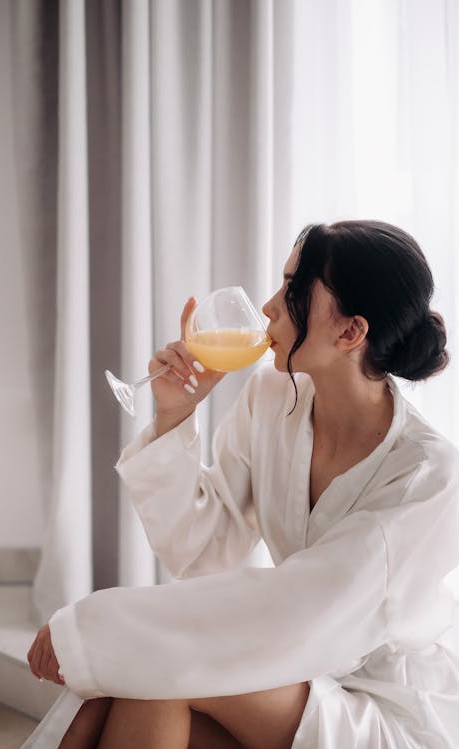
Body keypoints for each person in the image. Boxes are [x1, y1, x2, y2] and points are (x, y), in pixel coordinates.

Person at [24, 220, 459, 749]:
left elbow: (307, 610)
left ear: (351, 332)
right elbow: (204, 547)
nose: (270, 306)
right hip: (290, 669)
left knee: (156, 666)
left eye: (294, 291)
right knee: (144, 680)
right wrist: (176, 414)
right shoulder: (274, 396)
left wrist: (96, 627)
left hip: (380, 707)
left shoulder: (428, 474)